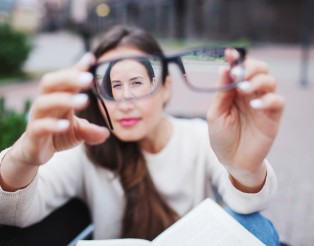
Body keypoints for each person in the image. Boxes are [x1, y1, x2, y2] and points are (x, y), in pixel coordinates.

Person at [0, 25, 284, 245]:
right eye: (112, 87)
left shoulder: (199, 137)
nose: (125, 101)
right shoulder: (88, 145)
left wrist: (244, 168)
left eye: (137, 83)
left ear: (165, 88)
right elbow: (14, 212)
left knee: (255, 226)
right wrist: (22, 158)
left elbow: (249, 203)